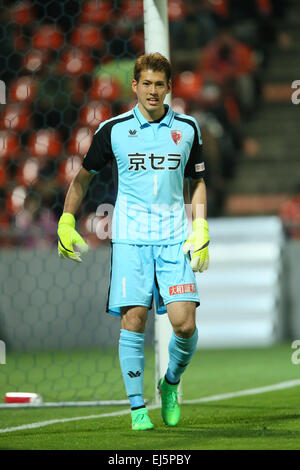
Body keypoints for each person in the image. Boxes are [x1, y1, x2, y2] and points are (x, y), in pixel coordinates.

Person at [57, 53, 210, 431]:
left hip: (174, 238)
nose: (153, 91)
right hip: (130, 239)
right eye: (147, 83)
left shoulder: (188, 128)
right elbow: (83, 178)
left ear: (169, 87)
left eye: (161, 84)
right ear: (135, 86)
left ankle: (170, 383)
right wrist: (66, 219)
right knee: (134, 320)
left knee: (185, 325)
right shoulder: (114, 130)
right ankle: (138, 408)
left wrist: (201, 226)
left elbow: (198, 181)